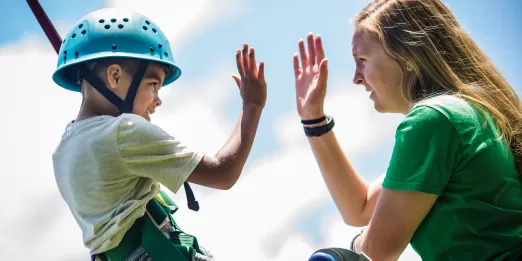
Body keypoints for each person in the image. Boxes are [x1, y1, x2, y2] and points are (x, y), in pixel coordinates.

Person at [294, 0, 522, 260]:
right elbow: (361, 207)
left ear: (408, 56)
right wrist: (313, 119)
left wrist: (351, 247)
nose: (356, 77)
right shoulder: (466, 114)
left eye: (363, 60)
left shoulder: (434, 120)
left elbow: (376, 252)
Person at [51, 7, 267, 261]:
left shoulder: (64, 149)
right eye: (152, 85)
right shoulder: (123, 131)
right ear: (115, 76)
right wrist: (251, 107)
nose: (157, 100)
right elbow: (223, 172)